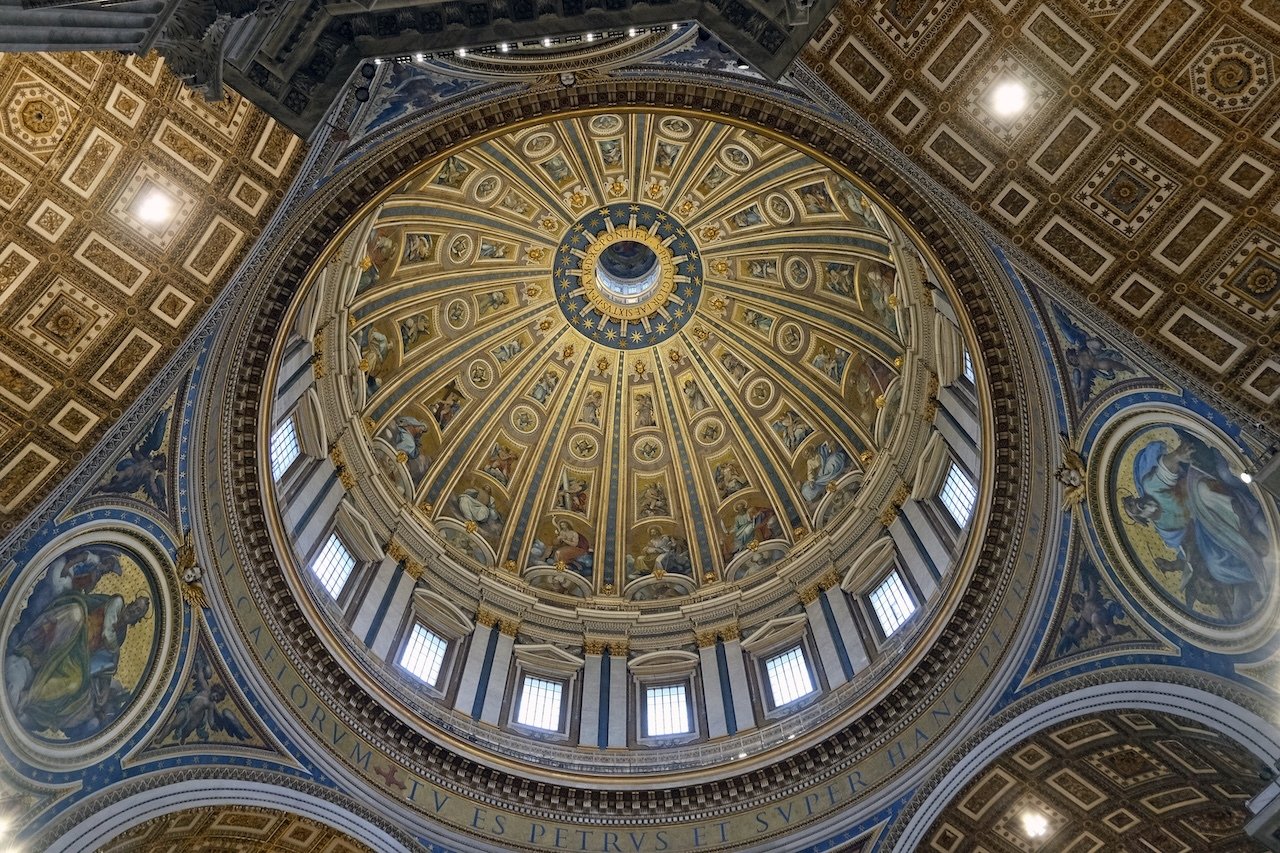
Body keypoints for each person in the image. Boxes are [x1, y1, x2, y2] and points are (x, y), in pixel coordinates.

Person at [1122, 432, 1269, 621]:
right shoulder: (1164, 528)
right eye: (1135, 510)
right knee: (1216, 565)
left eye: (1133, 502)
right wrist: (1177, 563)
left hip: (1196, 484)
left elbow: (1165, 469)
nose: (1138, 505)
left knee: (1206, 494)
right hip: (1203, 526)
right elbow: (1184, 544)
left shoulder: (1150, 487)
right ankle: (1253, 578)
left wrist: (1177, 455)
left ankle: (1248, 534)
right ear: (1141, 518)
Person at [6, 583, 150, 739]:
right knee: (74, 616)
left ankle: (29, 697)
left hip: (80, 653)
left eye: (138, 611)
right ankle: (39, 656)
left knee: (75, 682)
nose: (134, 610)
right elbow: (107, 633)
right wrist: (115, 651)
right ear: (130, 602)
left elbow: (104, 661)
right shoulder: (117, 602)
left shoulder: (121, 635)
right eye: (135, 605)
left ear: (138, 619)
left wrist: (106, 685)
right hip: (77, 629)